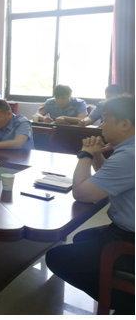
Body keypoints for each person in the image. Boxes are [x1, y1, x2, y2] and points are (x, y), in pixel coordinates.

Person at [45, 96, 135, 315]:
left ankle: (124, 300)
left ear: (125, 124)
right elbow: (106, 180)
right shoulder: (128, 149)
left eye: (106, 120)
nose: (101, 125)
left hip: (129, 238)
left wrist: (85, 155)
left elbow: (83, 194)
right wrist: (96, 156)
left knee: (56, 257)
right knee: (82, 237)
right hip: (124, 228)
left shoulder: (129, 155)